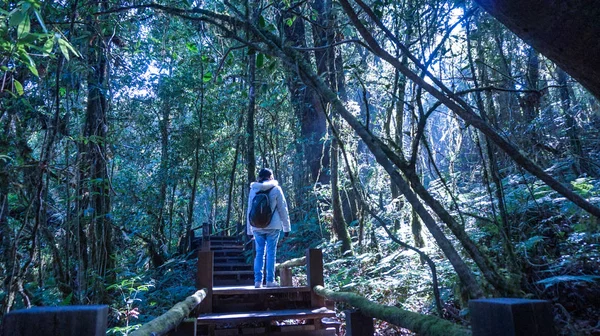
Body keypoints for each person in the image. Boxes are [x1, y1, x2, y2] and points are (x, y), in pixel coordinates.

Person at [247, 168, 291, 288]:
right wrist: (287, 228)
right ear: (271, 176)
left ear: (259, 177)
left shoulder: (253, 190)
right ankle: (270, 281)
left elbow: (249, 211)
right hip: (273, 226)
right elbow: (283, 209)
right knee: (271, 252)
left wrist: (249, 230)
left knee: (259, 252)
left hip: (256, 227)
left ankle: (257, 282)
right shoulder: (276, 189)